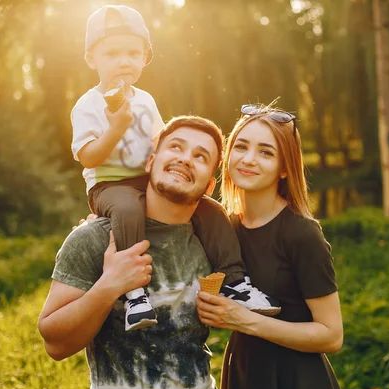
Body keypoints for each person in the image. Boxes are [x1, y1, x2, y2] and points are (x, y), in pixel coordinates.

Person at [72, 5, 278, 330]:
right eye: (111, 53)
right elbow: (88, 157)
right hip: (108, 185)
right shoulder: (87, 105)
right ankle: (135, 294)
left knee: (210, 209)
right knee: (126, 209)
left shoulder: (145, 101)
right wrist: (116, 128)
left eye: (132, 53)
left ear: (144, 58)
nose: (123, 61)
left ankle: (235, 281)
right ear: (91, 59)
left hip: (146, 178)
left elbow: (160, 142)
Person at [40, 116, 244, 389]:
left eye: (200, 156)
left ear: (209, 187)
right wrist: (110, 284)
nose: (185, 159)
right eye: (176, 147)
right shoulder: (96, 239)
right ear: (150, 162)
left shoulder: (214, 244)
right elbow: (55, 345)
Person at [196, 103, 345, 389]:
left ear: (285, 168)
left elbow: (332, 335)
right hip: (244, 374)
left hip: (296, 383)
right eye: (241, 147)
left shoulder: (302, 234)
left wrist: (246, 321)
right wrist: (105, 220)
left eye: (266, 152)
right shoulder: (224, 228)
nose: (248, 159)